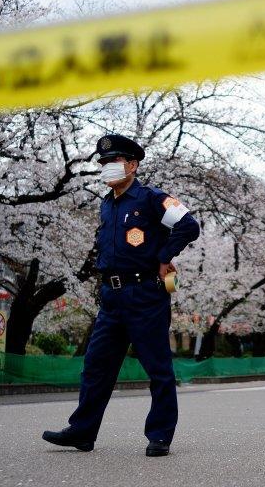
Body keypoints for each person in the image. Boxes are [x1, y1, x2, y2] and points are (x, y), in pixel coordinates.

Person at [42, 134, 200, 457]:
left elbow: (188, 225)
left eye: (113, 162)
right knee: (96, 366)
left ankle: (160, 435)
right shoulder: (107, 203)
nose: (107, 168)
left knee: (157, 367)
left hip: (145, 295)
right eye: (103, 163)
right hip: (111, 298)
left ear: (132, 164)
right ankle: (83, 431)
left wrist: (164, 255)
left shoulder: (152, 199)